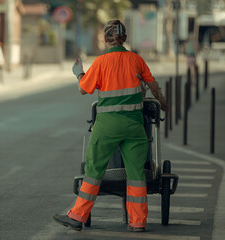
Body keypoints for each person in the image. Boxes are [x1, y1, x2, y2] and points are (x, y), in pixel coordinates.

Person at [53, 20, 168, 232]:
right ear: (124, 39)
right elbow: (153, 86)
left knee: (94, 170)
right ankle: (138, 222)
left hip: (106, 127)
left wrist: (79, 72)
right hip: (134, 126)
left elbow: (84, 89)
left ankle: (77, 216)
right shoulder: (136, 59)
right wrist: (164, 103)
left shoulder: (101, 62)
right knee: (136, 174)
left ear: (106, 39)